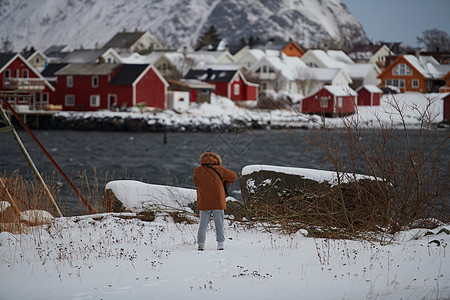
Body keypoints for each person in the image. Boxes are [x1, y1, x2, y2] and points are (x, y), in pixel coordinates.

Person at [193, 152, 237, 251]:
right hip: (218, 201)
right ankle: (220, 244)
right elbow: (233, 176)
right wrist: (224, 183)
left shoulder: (197, 170)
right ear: (216, 160)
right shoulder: (220, 169)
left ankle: (201, 244)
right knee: (219, 224)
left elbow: (196, 183)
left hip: (204, 201)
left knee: (202, 225)